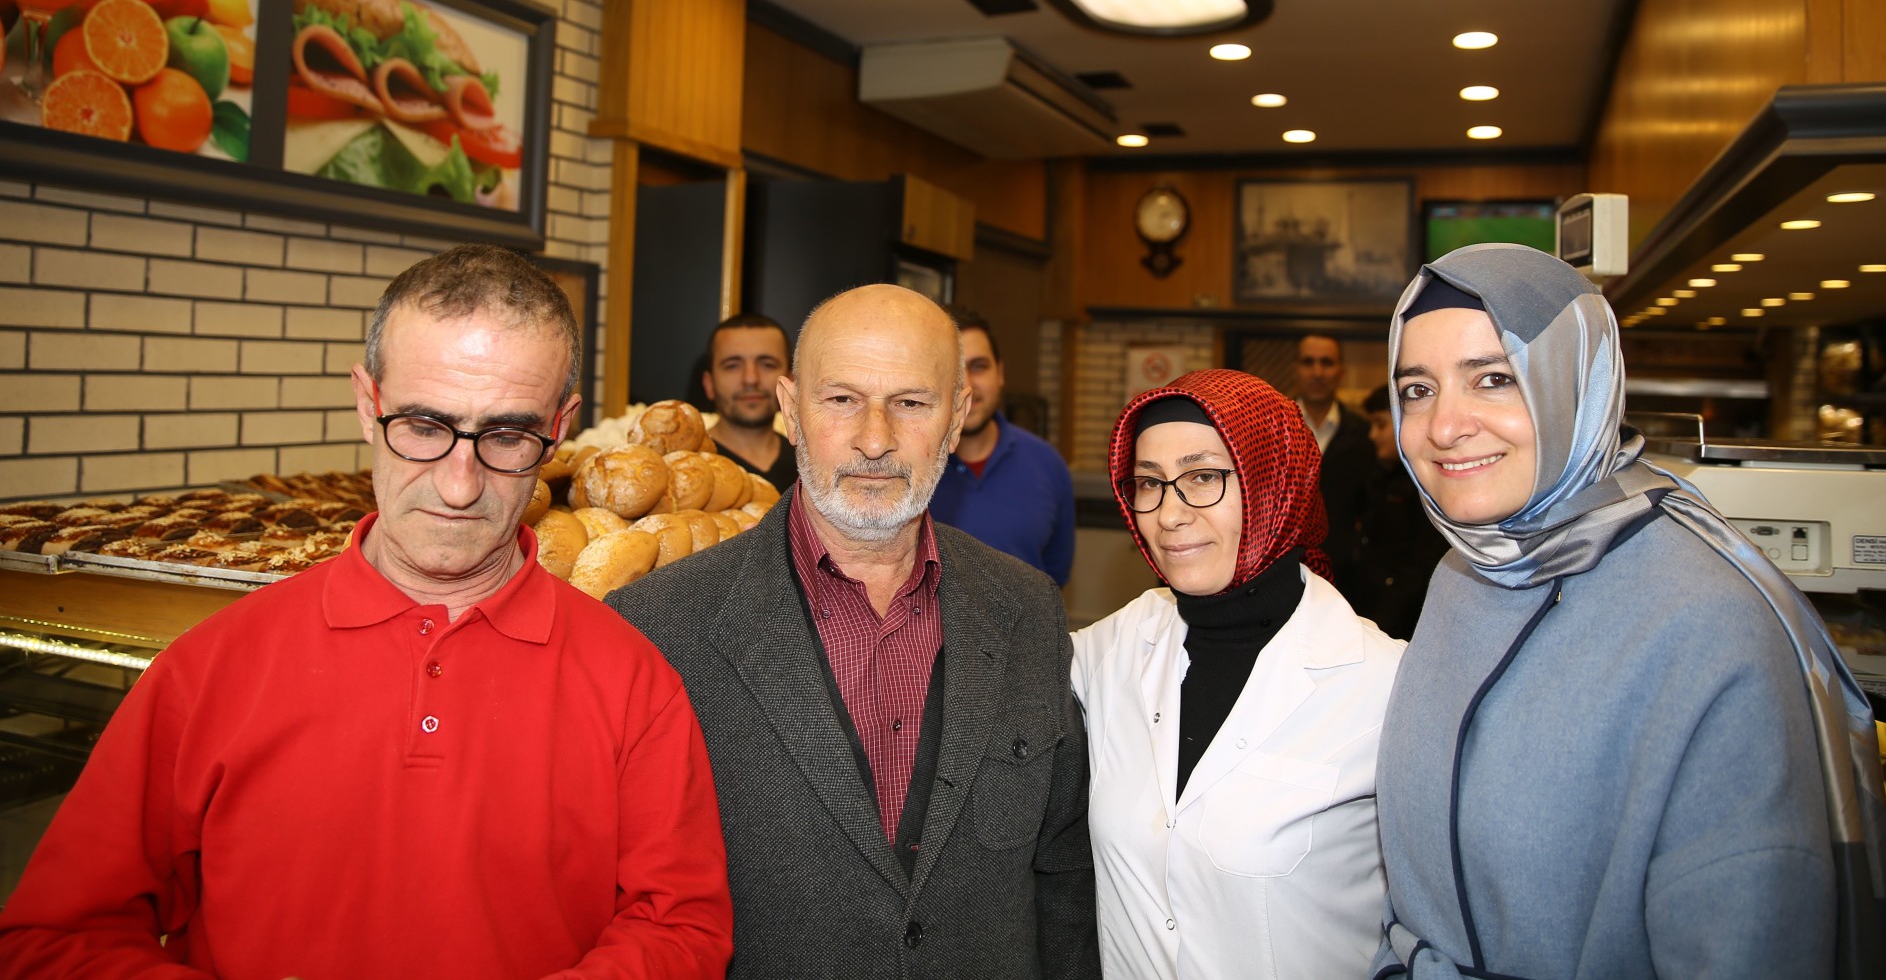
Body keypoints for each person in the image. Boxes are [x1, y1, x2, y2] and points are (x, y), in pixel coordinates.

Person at [0, 244, 732, 977]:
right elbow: (56, 939)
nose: (458, 486)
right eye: (423, 426)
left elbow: (681, 929)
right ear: (367, 403)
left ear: (559, 427)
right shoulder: (210, 666)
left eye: (507, 436)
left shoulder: (632, 681)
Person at [1371, 244, 1886, 980]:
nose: (1443, 426)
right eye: (1417, 389)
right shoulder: (1462, 574)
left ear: (1578, 381)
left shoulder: (1708, 623)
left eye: (1494, 378)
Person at [610, 284, 1098, 980]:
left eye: (911, 403)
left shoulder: (1027, 609)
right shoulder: (661, 626)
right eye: (841, 399)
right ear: (790, 410)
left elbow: (1064, 870)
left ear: (957, 417)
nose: (875, 439)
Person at [1072, 369, 1402, 979]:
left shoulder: (1385, 686)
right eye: (1149, 483)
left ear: (1273, 482)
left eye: (1202, 477)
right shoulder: (1117, 646)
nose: (1169, 514)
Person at [929, 308, 1076, 583]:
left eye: (978, 366)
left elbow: (1054, 578)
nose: (967, 385)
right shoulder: (909, 465)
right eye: (953, 370)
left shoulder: (1047, 464)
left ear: (1000, 373)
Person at [1330, 384, 1448, 640]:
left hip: (1402, 624)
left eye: (1380, 425)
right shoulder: (1378, 475)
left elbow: (1419, 567)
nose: (1372, 435)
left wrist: (1382, 623)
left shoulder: (1428, 487)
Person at [702, 311, 798, 492]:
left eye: (767, 364)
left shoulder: (812, 468)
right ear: (709, 384)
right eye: (732, 366)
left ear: (789, 382)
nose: (751, 379)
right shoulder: (688, 469)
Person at [1297, 333, 1372, 560]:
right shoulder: (1272, 430)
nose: (1317, 372)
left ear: (1341, 372)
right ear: (1295, 369)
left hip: (1345, 569)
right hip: (1283, 566)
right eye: (1308, 362)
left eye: (1327, 363)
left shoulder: (1365, 435)